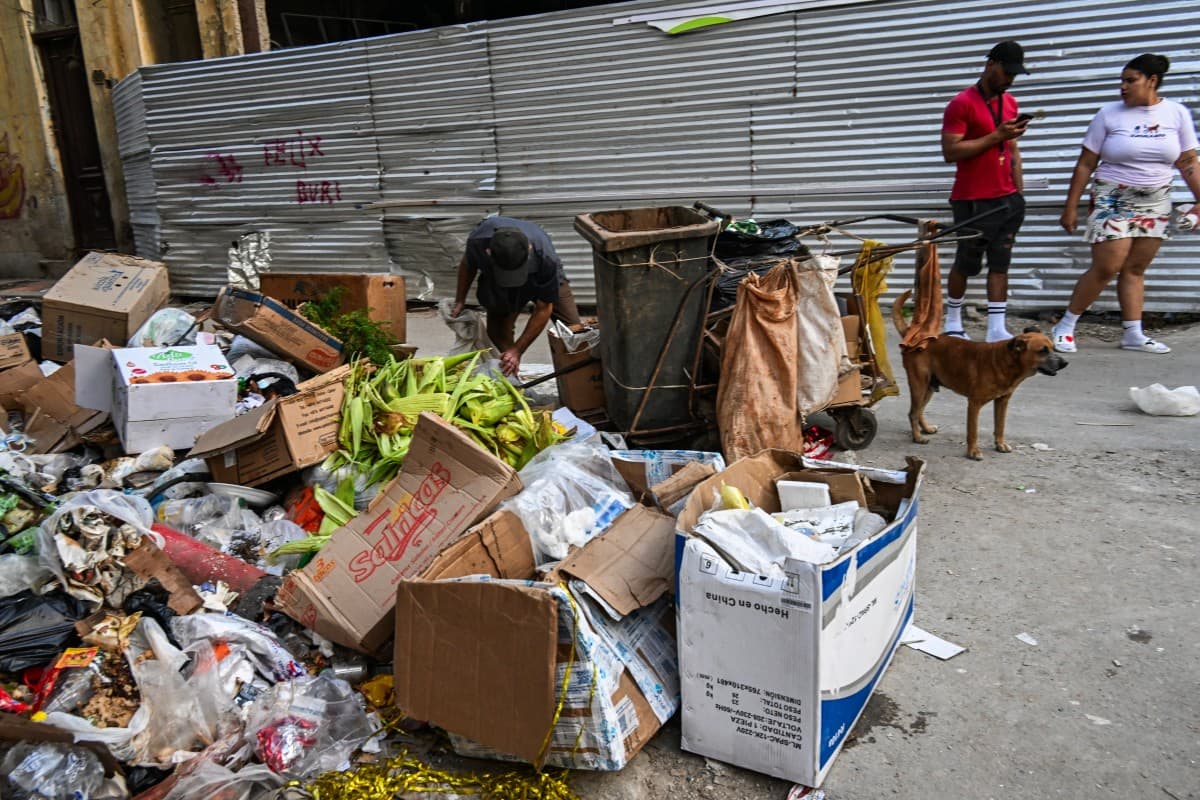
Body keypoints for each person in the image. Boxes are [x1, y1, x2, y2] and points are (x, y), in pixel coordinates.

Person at [1052, 53, 1200, 355]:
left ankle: (1134, 332)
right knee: (1108, 266)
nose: (1123, 86)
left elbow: (1188, 162)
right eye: (1122, 80)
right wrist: (1071, 206)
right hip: (1112, 197)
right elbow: (1085, 164)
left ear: (1152, 81)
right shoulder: (1108, 114)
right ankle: (1065, 325)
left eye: (1130, 80)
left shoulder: (1176, 113)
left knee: (1136, 267)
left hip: (1156, 197)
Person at [940, 40, 1031, 342]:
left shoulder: (1010, 102)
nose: (1010, 80)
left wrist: (1018, 192)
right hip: (972, 198)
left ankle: (996, 326)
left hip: (1007, 197)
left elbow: (1013, 150)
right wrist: (995, 136)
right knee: (966, 260)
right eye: (1007, 72)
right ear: (990, 64)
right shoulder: (961, 103)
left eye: (1015, 75)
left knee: (1001, 261)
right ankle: (953, 319)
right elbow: (951, 151)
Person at [451, 216, 581, 375]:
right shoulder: (478, 242)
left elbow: (543, 308)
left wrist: (518, 349)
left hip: (539, 273)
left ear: (529, 248)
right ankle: (511, 371)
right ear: (488, 252)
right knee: (497, 330)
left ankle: (578, 381)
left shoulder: (545, 256)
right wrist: (460, 299)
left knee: (574, 334)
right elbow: (468, 265)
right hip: (496, 279)